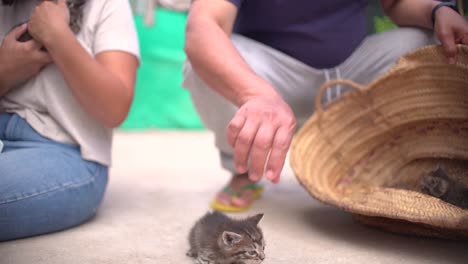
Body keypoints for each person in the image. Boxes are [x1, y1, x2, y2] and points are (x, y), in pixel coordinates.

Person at [182, 0, 468, 212]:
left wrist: (437, 10)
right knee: (204, 61)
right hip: (271, 76)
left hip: (354, 68)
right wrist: (256, 94)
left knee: (424, 42)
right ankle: (244, 170)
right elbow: (204, 24)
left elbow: (397, 4)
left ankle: (388, 162)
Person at [0, 0, 139, 241]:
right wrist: (5, 69)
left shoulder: (106, 5)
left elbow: (115, 108)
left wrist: (58, 37)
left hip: (62, 150)